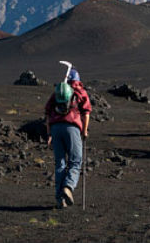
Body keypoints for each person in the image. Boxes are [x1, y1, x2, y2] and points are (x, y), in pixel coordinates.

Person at [45, 67, 91, 209]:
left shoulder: (57, 92)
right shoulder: (80, 92)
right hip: (72, 128)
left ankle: (60, 199)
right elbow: (86, 113)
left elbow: (47, 113)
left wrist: (49, 134)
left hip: (55, 128)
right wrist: (84, 130)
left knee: (60, 163)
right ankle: (68, 187)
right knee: (75, 160)